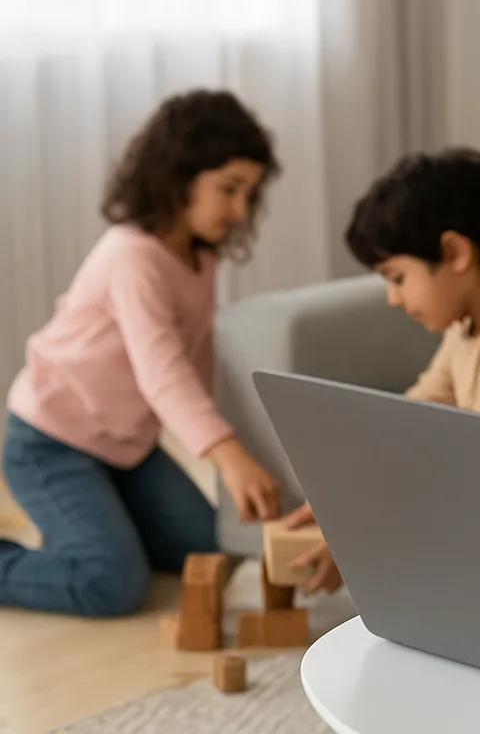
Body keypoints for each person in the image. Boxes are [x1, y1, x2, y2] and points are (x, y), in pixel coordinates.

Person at [0, 90, 284, 617]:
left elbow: (197, 364)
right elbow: (163, 374)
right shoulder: (132, 256)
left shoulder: (200, 259)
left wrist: (248, 445)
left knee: (216, 548)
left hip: (127, 451)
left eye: (249, 193)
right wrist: (226, 453)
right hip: (52, 443)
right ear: (179, 178)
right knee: (111, 584)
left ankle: (100, 529)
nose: (240, 209)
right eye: (228, 189)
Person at [280, 147, 480, 594]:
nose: (393, 298)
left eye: (396, 277)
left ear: (454, 252)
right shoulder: (469, 326)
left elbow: (477, 477)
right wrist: (348, 492)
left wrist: (366, 536)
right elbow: (418, 416)